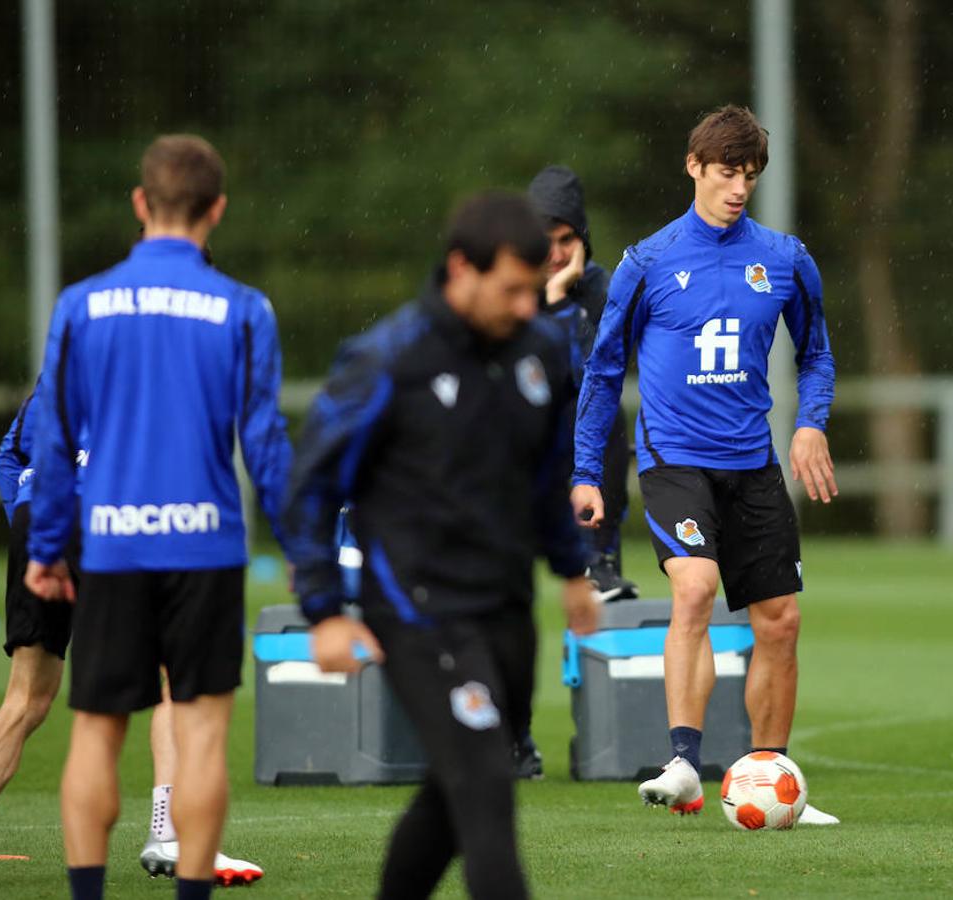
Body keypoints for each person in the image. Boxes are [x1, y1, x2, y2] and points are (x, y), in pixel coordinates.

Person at [283, 191, 599, 899]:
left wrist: (573, 571)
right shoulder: (387, 360)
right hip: (417, 609)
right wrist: (324, 608)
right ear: (461, 268)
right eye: (512, 290)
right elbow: (309, 485)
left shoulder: (540, 352)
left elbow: (546, 476)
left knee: (455, 790)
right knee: (488, 783)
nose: (527, 306)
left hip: (506, 609)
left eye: (533, 289)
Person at [22, 134, 292, 900]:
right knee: (201, 735)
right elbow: (265, 442)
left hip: (111, 545)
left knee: (96, 730)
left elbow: (52, 436)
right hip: (205, 549)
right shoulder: (243, 309)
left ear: (141, 204)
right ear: (217, 211)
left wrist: (47, 548)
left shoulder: (80, 305)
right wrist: (299, 545)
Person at [569, 105, 839, 824]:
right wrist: (585, 472)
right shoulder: (648, 261)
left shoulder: (784, 258)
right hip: (674, 459)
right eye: (726, 173)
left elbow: (814, 354)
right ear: (693, 167)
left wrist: (810, 425)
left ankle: (768, 772)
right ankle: (685, 763)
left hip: (752, 464)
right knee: (694, 588)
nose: (738, 188)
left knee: (779, 621)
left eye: (749, 175)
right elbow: (601, 372)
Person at [0, 395, 262, 890]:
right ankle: (169, 831)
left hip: (39, 521)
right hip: (104, 518)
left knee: (24, 699)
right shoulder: (146, 357)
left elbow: (8, 456)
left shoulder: (59, 366)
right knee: (171, 677)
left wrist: (29, 530)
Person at [529, 164, 638, 604]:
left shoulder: (601, 290)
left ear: (582, 241)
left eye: (566, 241)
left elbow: (598, 372)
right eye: (545, 241)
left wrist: (559, 303)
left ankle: (599, 558)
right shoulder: (502, 284)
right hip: (511, 427)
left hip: (570, 439)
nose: (555, 254)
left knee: (604, 412)